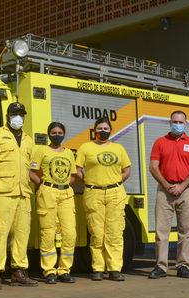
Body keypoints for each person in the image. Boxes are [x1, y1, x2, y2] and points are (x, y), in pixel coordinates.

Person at [0, 102, 37, 288]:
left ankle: (18, 271)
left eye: (21, 114)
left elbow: (30, 166)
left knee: (22, 234)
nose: (18, 117)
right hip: (1, 192)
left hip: (23, 193)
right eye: (14, 113)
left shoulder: (29, 140)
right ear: (7, 116)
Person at [75, 116, 131, 281]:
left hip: (115, 193)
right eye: (100, 129)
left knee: (114, 233)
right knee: (97, 233)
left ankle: (115, 269)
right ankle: (98, 269)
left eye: (106, 129)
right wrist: (89, 182)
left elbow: (127, 171)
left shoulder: (119, 148)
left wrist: (114, 182)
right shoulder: (86, 148)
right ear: (94, 130)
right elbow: (78, 170)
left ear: (110, 131)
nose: (103, 131)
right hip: (93, 193)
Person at [148, 110, 189, 279]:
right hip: (165, 191)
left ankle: (183, 266)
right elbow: (153, 167)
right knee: (161, 231)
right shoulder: (160, 142)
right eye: (174, 122)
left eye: (180, 122)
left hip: (185, 191)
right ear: (169, 123)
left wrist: (182, 186)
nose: (177, 125)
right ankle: (161, 267)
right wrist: (167, 185)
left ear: (186, 124)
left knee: (185, 230)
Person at [30, 122, 77, 284]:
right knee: (47, 232)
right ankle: (49, 270)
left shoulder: (69, 153)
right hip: (47, 192)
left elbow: (73, 175)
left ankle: (64, 270)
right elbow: (32, 172)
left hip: (66, 193)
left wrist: (64, 185)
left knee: (70, 233)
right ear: (49, 134)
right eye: (54, 132)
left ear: (64, 134)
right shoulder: (42, 150)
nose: (57, 135)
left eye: (60, 132)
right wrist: (42, 185)